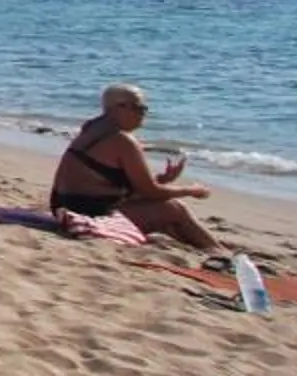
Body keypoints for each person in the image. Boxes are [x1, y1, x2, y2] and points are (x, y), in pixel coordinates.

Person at [52, 83, 221, 250]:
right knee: (174, 208)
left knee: (163, 213)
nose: (143, 114)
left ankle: (203, 244)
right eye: (138, 108)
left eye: (144, 109)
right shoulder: (122, 140)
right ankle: (217, 251)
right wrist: (191, 190)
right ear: (117, 107)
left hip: (65, 204)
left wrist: (163, 179)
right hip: (88, 212)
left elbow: (106, 183)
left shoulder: (93, 127)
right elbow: (151, 192)